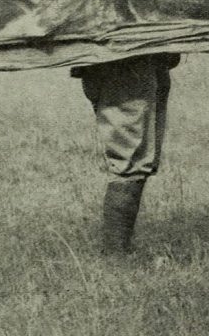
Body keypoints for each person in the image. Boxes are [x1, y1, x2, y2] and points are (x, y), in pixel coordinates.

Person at [71, 52, 181, 254]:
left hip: (143, 55)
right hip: (124, 59)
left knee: (139, 157)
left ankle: (118, 252)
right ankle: (116, 255)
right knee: (131, 160)